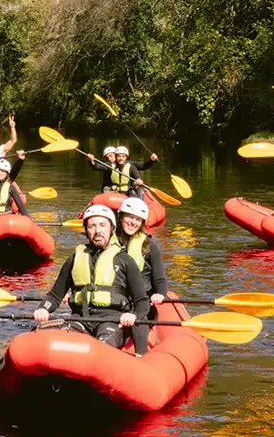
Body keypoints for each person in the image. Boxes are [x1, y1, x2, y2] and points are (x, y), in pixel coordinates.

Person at [34, 203, 151, 356]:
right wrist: (43, 308)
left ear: (111, 229)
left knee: (103, 345)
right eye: (92, 226)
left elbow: (141, 301)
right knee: (53, 340)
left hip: (112, 322)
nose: (98, 231)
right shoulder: (74, 259)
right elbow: (55, 295)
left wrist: (133, 315)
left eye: (102, 225)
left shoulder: (125, 260)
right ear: (86, 231)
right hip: (80, 320)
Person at [116, 195, 173, 302]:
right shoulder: (108, 243)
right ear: (120, 217)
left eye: (138, 219)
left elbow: (160, 279)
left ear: (142, 223)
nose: (133, 222)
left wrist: (160, 294)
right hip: (115, 300)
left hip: (141, 300)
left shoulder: (150, 245)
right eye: (129, 216)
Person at [85, 143, 159, 198]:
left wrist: (151, 160)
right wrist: (91, 161)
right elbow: (96, 167)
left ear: (126, 157)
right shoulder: (109, 166)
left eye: (123, 156)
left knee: (138, 188)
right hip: (113, 191)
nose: (120, 158)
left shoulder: (131, 166)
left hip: (127, 191)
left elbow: (143, 167)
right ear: (116, 156)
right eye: (119, 156)